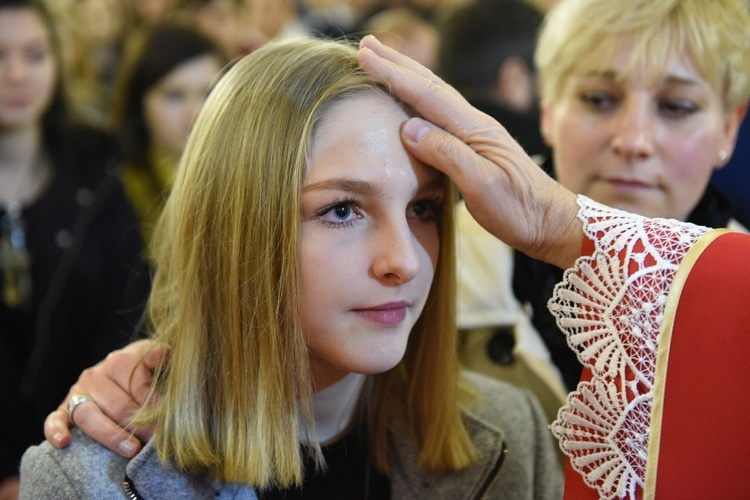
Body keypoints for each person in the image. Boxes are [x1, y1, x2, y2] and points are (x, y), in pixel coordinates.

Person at [20, 37, 563, 498]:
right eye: (342, 210)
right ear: (237, 229)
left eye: (422, 208)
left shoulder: (514, 435)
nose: (404, 260)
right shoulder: (87, 480)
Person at [455, 0, 749, 427]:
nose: (633, 140)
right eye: (598, 99)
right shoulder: (436, 261)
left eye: (676, 107)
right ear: (549, 108)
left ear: (728, 128)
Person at [0, 0, 150, 497]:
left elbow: (127, 306)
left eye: (35, 54)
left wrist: (68, 452)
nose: (17, 74)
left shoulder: (96, 165)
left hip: (81, 450)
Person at [111, 23, 227, 250]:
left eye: (209, 93)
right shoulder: (114, 191)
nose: (195, 113)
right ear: (139, 104)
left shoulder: (253, 177)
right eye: (174, 96)